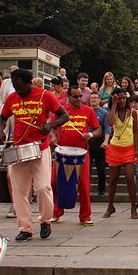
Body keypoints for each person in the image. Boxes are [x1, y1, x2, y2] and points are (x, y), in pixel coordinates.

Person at [0, 68, 69, 241]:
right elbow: (2, 117)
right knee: (19, 190)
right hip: (19, 148)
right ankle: (25, 228)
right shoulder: (12, 98)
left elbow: (64, 116)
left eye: (20, 87)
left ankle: (45, 221)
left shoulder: (45, 96)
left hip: (40, 147)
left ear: (29, 83)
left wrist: (50, 125)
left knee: (43, 187)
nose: (18, 91)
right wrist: (0, 131)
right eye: (15, 87)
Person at [51, 86, 100, 226]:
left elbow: (98, 129)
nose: (79, 99)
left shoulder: (88, 111)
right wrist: (53, 137)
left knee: (84, 186)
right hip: (62, 152)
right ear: (68, 96)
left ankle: (85, 216)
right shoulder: (61, 111)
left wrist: (90, 135)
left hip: (81, 153)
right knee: (55, 182)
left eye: (80, 96)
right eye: (75, 97)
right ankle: (56, 212)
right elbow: (51, 127)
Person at [103, 88, 138, 219]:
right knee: (113, 179)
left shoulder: (133, 112)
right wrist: (113, 104)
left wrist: (136, 149)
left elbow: (136, 132)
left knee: (130, 178)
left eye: (124, 98)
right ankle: (110, 206)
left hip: (129, 148)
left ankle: (133, 208)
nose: (122, 100)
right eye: (119, 98)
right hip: (115, 148)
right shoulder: (113, 111)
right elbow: (110, 123)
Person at [88, 93, 111, 196]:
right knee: (86, 168)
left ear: (99, 99)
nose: (93, 100)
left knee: (100, 167)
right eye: (91, 98)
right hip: (87, 141)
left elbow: (107, 128)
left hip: (99, 141)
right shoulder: (86, 111)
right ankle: (85, 188)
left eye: (95, 98)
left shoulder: (104, 113)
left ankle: (101, 189)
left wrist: (106, 141)